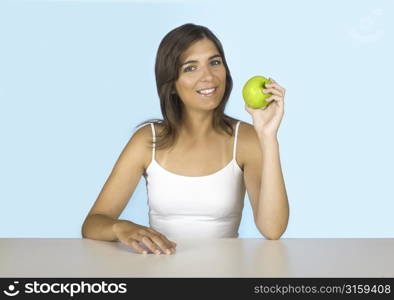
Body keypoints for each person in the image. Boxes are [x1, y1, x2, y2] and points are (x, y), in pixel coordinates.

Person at [81, 23, 289, 255]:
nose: (208, 76)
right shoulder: (147, 141)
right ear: (171, 84)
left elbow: (273, 229)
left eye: (215, 62)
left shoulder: (246, 139)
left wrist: (268, 137)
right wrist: (122, 227)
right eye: (191, 68)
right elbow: (93, 224)